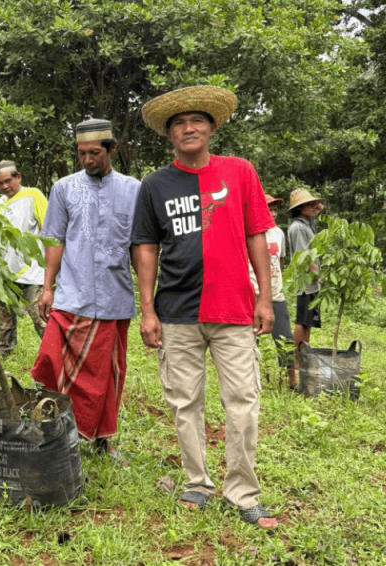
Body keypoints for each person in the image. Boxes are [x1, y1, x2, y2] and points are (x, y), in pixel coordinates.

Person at [131, 86, 278, 529]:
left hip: (233, 308)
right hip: (176, 311)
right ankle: (197, 483)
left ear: (212, 127)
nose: (188, 128)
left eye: (196, 121)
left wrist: (265, 298)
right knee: (184, 402)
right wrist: (147, 310)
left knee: (243, 402)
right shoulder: (155, 184)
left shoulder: (240, 172)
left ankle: (242, 492)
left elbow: (257, 235)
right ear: (169, 135)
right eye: (178, 123)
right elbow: (145, 247)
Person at [31, 119, 141, 460]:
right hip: (71, 295)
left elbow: (141, 246)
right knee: (53, 361)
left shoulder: (134, 189)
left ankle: (103, 440)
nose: (88, 160)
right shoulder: (63, 188)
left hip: (115, 296)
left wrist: (150, 300)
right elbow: (54, 239)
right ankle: (59, 432)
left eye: (95, 153)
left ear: (112, 150)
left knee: (109, 374)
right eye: (81, 154)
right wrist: (47, 287)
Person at [0, 160, 48, 356]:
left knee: (40, 317)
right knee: (4, 320)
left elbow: (48, 231)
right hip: (6, 272)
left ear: (18, 177)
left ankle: (56, 354)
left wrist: (53, 269)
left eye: (8, 181)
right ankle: (5, 353)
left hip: (34, 270)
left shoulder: (33, 196)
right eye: (0, 183)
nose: (5, 186)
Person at [249, 194, 296, 389]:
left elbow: (281, 259)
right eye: (269, 208)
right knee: (250, 339)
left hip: (275, 294)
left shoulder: (278, 233)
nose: (273, 213)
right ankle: (253, 380)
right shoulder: (248, 233)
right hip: (252, 294)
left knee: (285, 338)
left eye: (275, 209)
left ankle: (292, 381)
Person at [287, 188, 324, 375]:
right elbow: (306, 259)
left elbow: (321, 207)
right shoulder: (299, 227)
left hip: (312, 283)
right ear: (300, 208)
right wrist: (321, 276)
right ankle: (295, 363)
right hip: (306, 283)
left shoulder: (308, 223)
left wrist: (317, 204)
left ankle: (303, 359)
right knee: (302, 322)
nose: (315, 207)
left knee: (308, 322)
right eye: (309, 205)